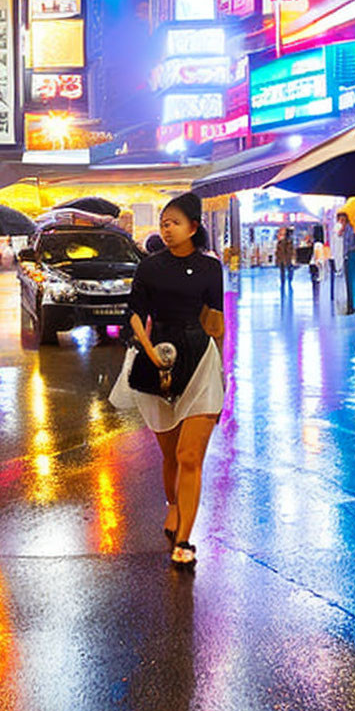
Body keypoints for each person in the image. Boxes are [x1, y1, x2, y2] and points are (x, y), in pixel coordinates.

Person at [120, 193, 226, 569]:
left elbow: (216, 321)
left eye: (175, 222)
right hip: (158, 361)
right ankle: (174, 505)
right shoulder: (150, 268)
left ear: (194, 227)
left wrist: (221, 366)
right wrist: (149, 351)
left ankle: (185, 539)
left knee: (189, 455)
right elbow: (134, 313)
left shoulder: (211, 269)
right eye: (164, 223)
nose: (167, 228)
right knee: (169, 455)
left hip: (200, 363)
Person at [275, 227, 295, 293]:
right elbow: (278, 251)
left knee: (286, 270)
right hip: (285, 259)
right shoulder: (285, 242)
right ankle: (287, 281)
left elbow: (278, 252)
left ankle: (287, 281)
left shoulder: (286, 242)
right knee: (285, 270)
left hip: (285, 259)